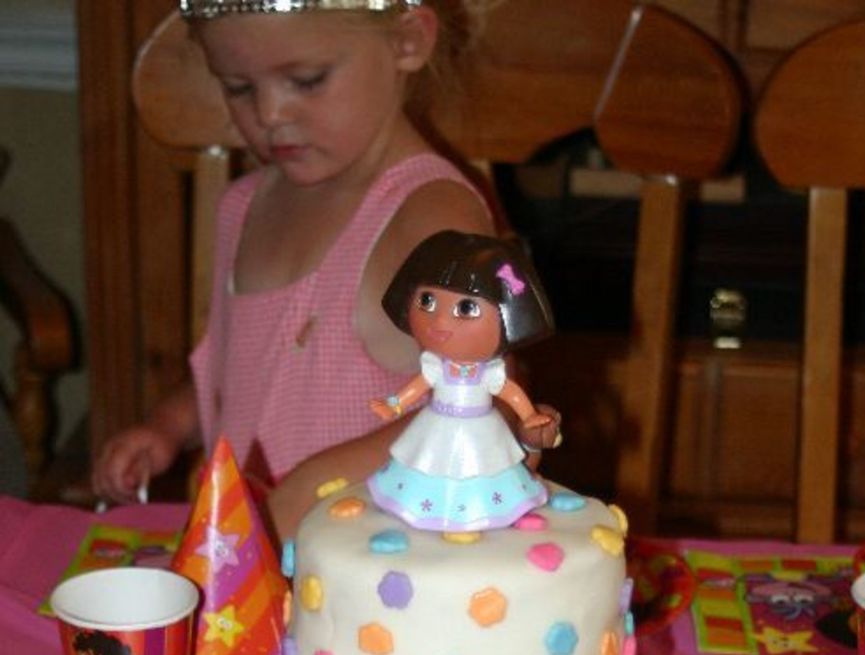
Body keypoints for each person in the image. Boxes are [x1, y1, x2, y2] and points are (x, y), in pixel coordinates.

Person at [91, 0, 495, 540]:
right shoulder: (242, 207)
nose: (270, 113)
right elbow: (248, 367)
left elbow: (490, 407)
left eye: (307, 80)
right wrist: (168, 426)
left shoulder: (429, 217)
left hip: (384, 565)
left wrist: (321, 483)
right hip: (244, 562)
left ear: (407, 41)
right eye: (238, 87)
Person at [368, 229, 561, 530]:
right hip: (437, 426)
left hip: (479, 430)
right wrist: (395, 404)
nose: (440, 321)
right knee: (430, 467)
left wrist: (528, 415)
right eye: (427, 300)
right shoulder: (435, 366)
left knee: (481, 472)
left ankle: (475, 513)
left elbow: (509, 391)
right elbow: (419, 385)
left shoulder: (489, 373)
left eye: (466, 308)